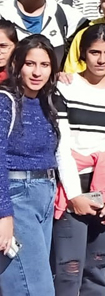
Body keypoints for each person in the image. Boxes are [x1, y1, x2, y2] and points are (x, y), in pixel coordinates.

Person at [51, 23, 105, 296]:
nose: (101, 60)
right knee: (69, 267)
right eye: (94, 52)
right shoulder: (66, 88)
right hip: (71, 184)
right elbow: (61, 145)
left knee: (98, 267)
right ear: (83, 54)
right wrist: (75, 195)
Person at [0, 35, 60, 296]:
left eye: (44, 65)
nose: (37, 72)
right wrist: (4, 215)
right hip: (18, 196)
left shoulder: (47, 101)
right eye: (30, 64)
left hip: (44, 195)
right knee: (34, 289)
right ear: (17, 65)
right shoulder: (5, 101)